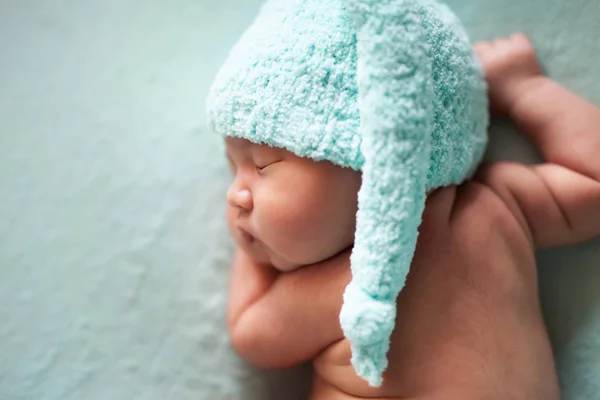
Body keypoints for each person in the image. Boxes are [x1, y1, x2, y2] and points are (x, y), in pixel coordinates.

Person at [224, 34, 600, 399]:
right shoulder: (491, 206)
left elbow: (249, 328)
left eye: (262, 165)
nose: (234, 196)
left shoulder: (492, 204)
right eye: (232, 169)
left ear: (376, 154)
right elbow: (251, 337)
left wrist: (525, 91)